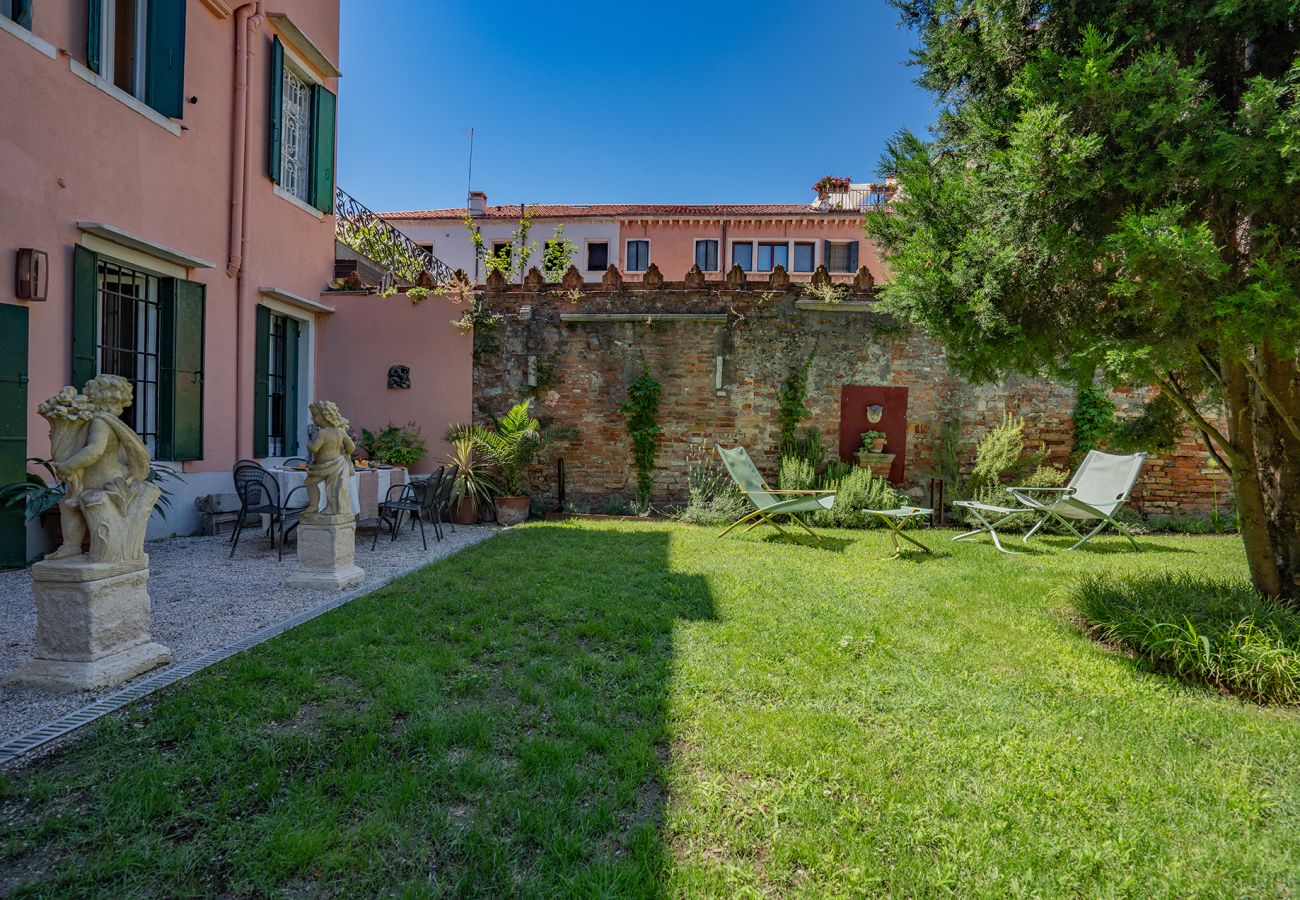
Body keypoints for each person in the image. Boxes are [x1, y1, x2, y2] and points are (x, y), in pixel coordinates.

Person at [46, 375, 151, 560]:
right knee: (70, 505)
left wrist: (68, 465)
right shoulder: (109, 421)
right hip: (110, 474)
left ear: (96, 397)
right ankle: (73, 546)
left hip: (102, 478)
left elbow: (94, 450)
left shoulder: (100, 422)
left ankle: (81, 547)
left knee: (72, 506)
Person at [303, 401, 355, 517]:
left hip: (325, 466)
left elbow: (314, 448)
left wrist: (309, 444)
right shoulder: (341, 432)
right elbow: (351, 446)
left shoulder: (323, 433)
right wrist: (346, 452)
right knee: (334, 488)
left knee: (310, 482)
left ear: (325, 416)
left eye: (315, 415)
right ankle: (333, 508)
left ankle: (314, 505)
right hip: (338, 464)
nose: (312, 418)